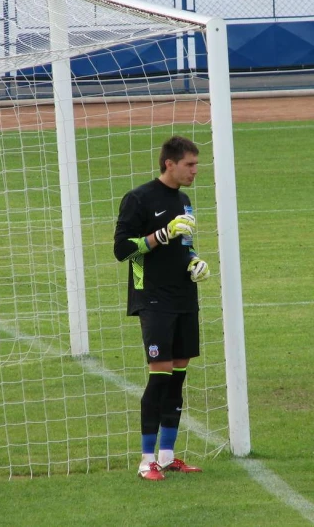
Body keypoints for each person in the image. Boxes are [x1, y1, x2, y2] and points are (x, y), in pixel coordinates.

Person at [113, 135, 210, 481]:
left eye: (196, 164)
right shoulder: (138, 198)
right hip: (153, 298)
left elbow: (184, 244)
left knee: (178, 377)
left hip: (184, 297)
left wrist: (194, 260)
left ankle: (168, 457)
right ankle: (145, 460)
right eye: (190, 164)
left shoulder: (184, 201)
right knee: (159, 377)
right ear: (170, 163)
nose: (195, 171)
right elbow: (122, 250)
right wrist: (160, 236)